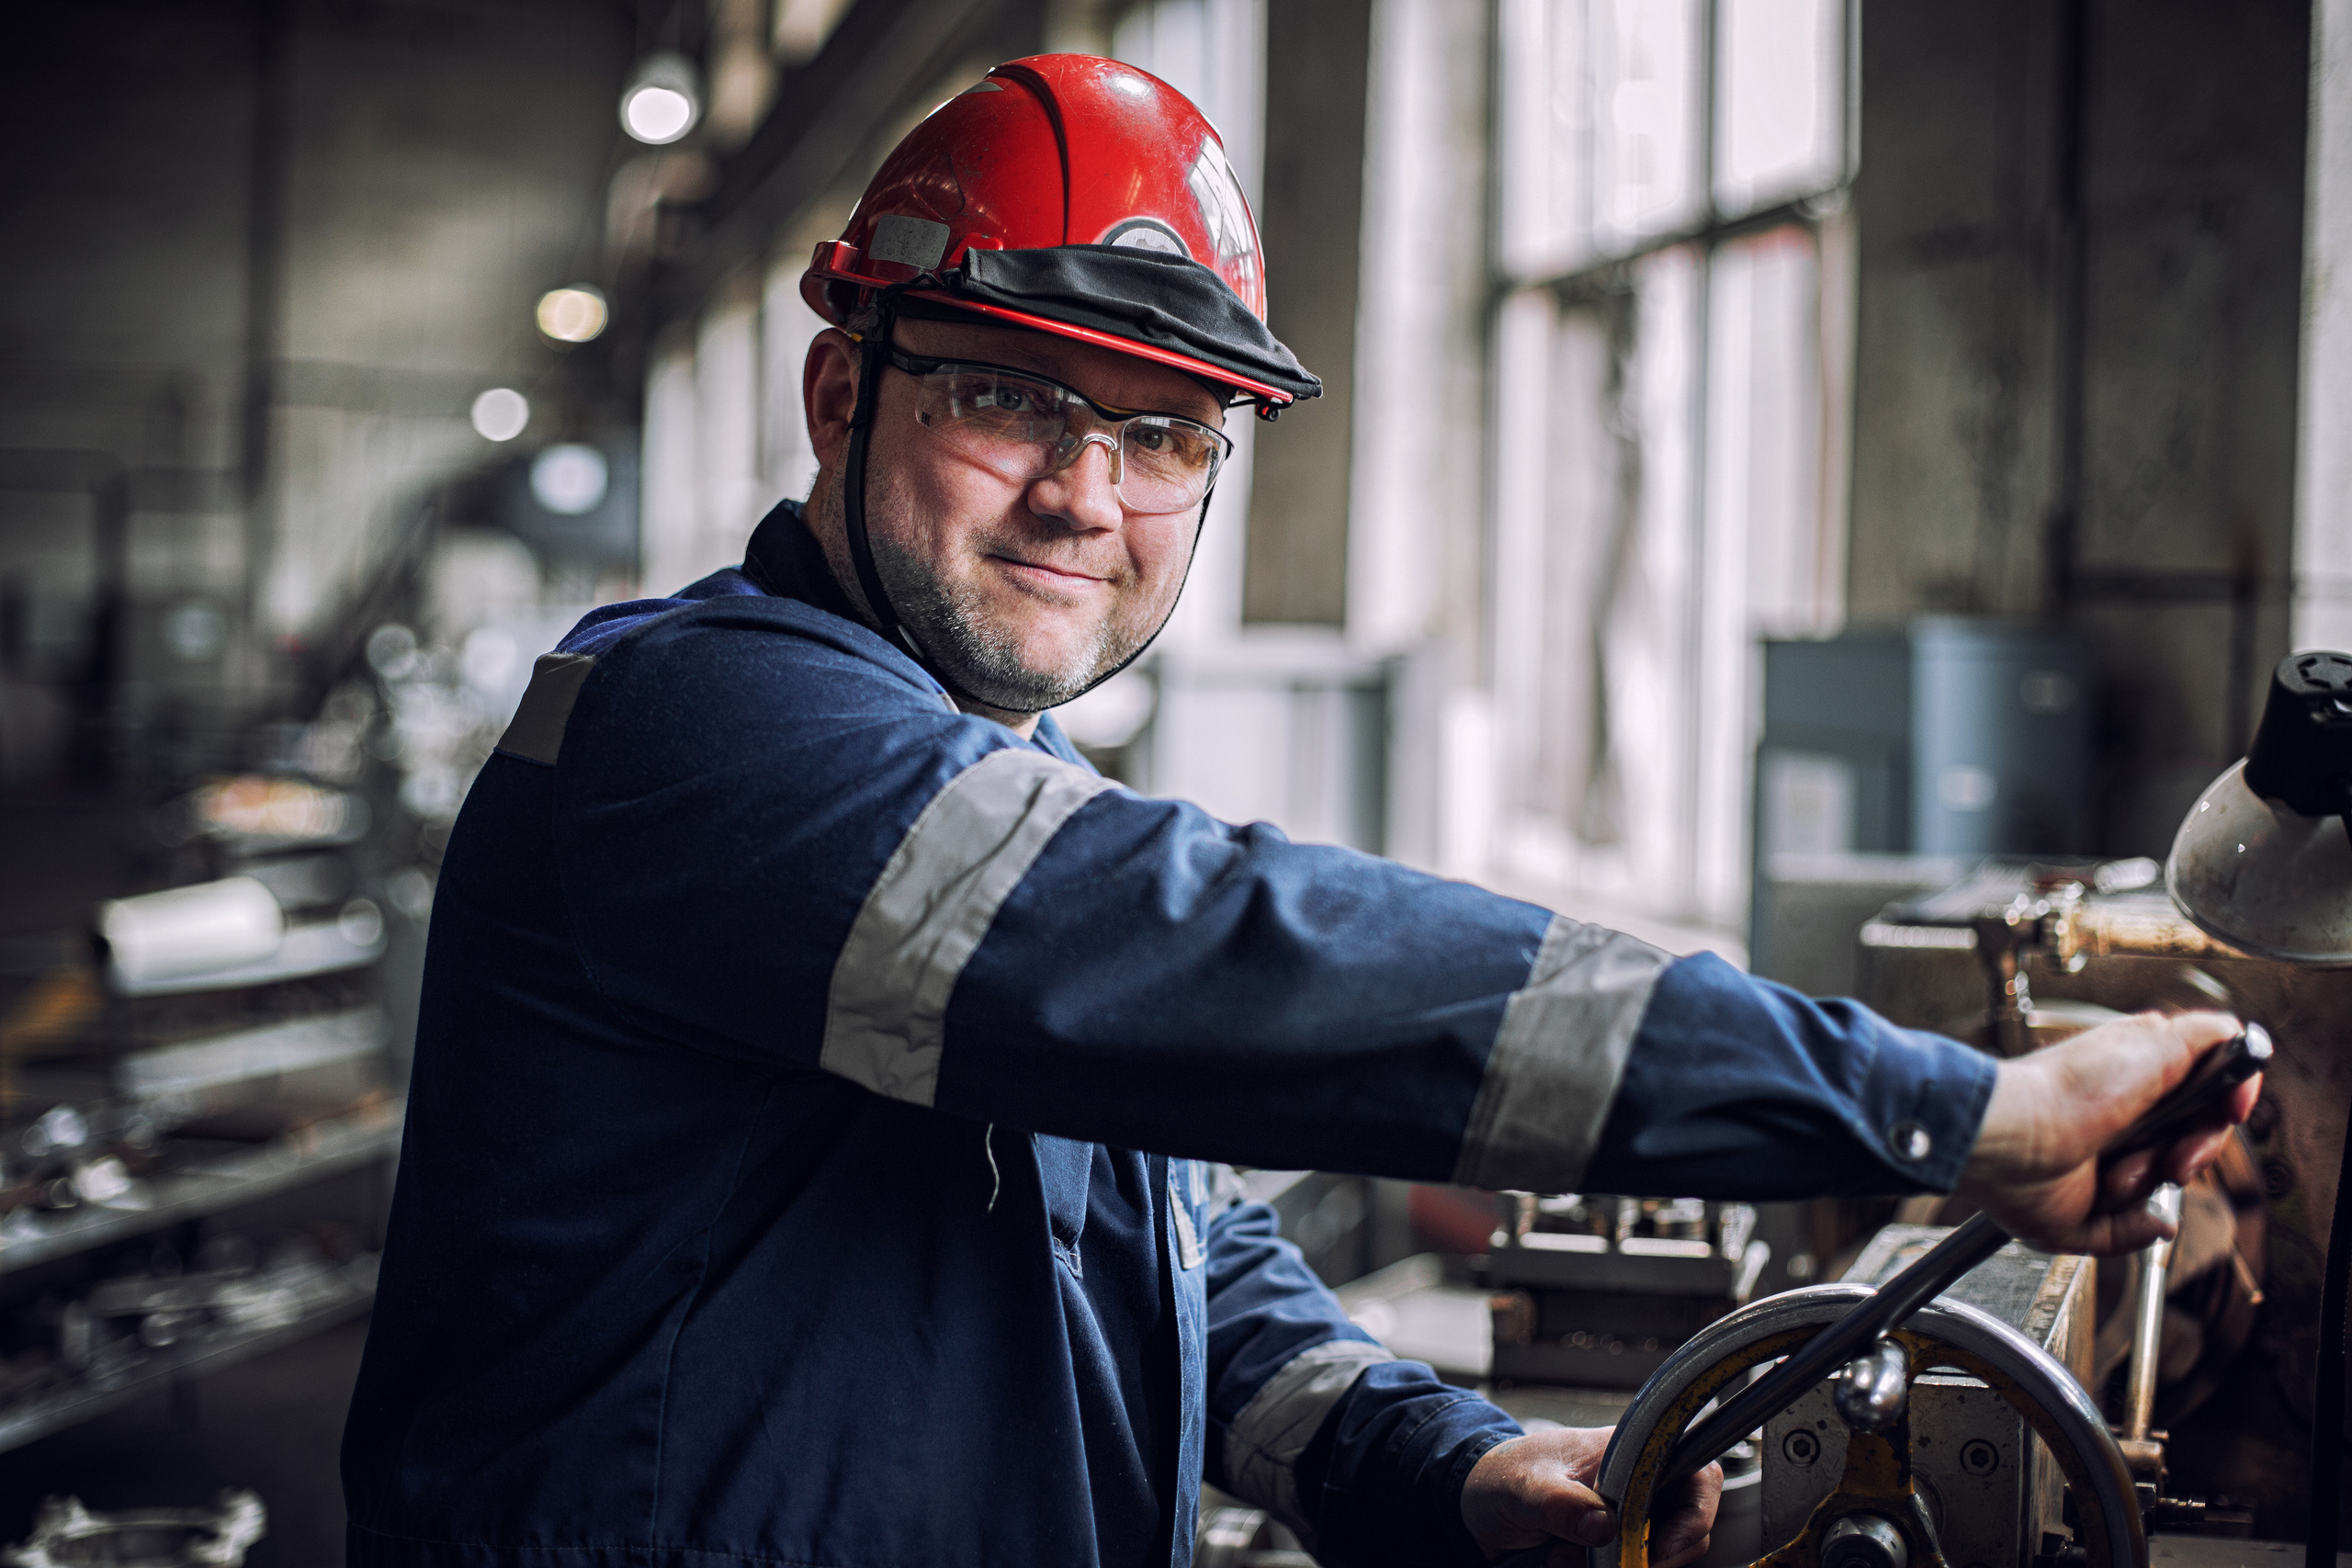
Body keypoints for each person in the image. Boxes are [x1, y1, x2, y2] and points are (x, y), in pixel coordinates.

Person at [340, 55, 2256, 1568]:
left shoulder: (999, 776)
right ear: (844, 392)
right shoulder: (698, 726)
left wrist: (1438, 1462)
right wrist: (1945, 1107)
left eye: (1165, 433)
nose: (1085, 494)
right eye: (1007, 397)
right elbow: (1242, 964)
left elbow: (1164, 1248)